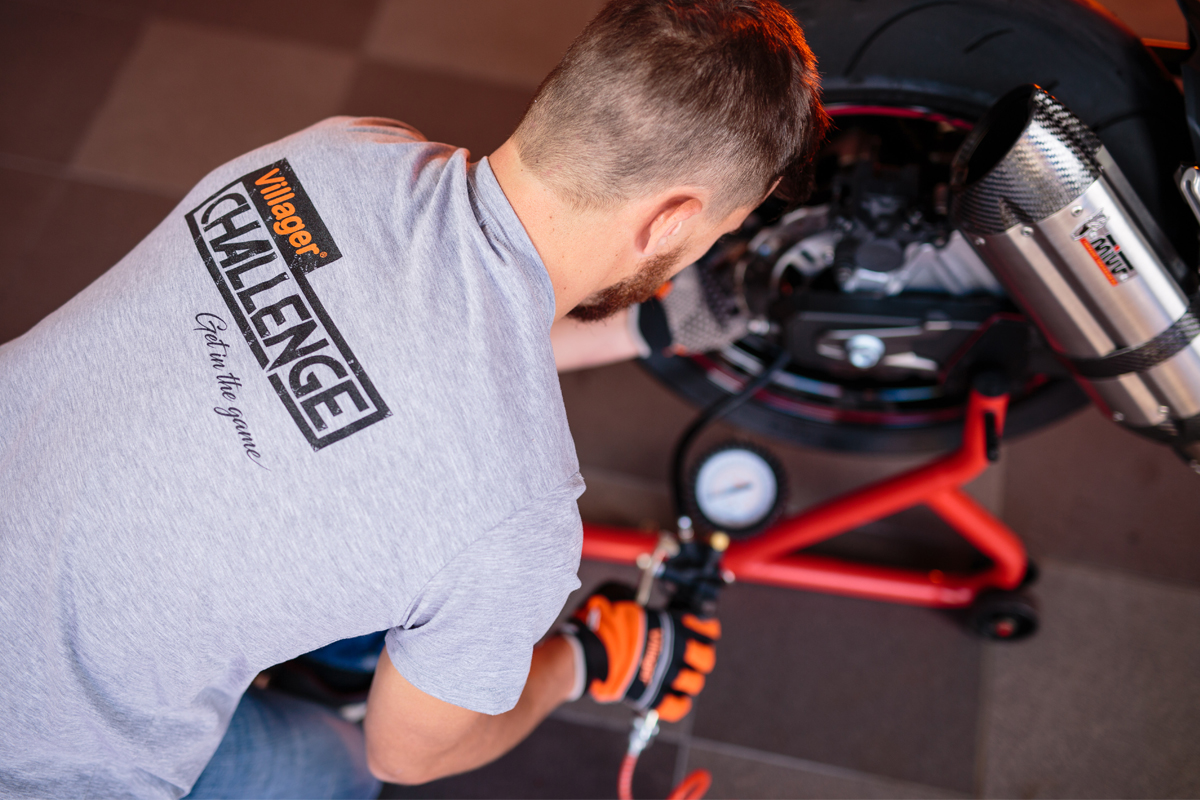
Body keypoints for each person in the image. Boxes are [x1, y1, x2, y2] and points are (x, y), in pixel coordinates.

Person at [0, 0, 828, 796]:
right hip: (39, 764)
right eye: (720, 230)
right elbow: (405, 756)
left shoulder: (339, 151)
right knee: (343, 769)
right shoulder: (519, 514)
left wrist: (646, 327)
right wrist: (585, 659)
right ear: (672, 221)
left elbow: (417, 342)